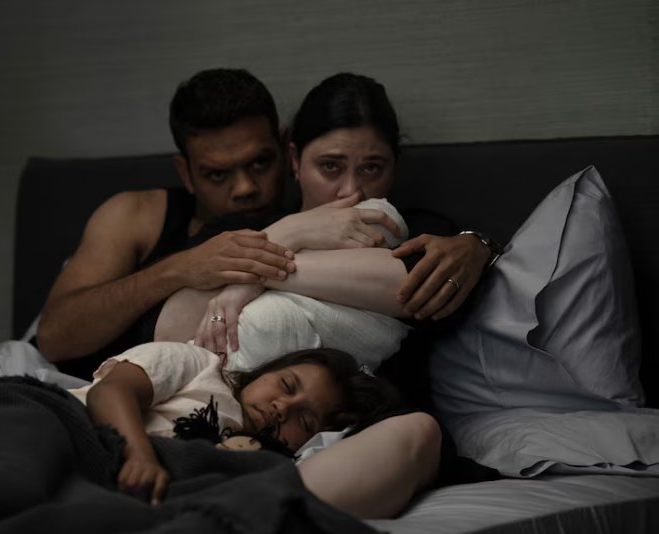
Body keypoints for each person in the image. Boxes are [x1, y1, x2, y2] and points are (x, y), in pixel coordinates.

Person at [35, 68, 495, 379]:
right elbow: (63, 338)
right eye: (218, 174)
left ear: (282, 151)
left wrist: (479, 245)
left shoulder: (404, 223)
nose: (245, 188)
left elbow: (427, 282)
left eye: (260, 163)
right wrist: (188, 266)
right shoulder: (181, 225)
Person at [74, 342, 441, 519]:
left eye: (304, 420)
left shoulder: (264, 461)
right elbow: (111, 391)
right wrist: (139, 455)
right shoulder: (199, 365)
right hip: (80, 430)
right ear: (268, 369)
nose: (283, 408)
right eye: (286, 385)